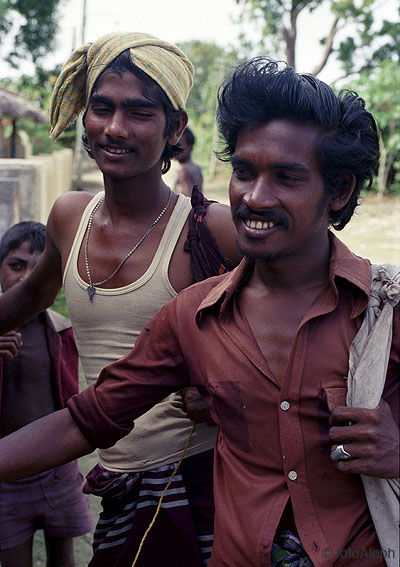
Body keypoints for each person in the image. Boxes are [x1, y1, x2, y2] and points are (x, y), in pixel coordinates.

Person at [0, 57, 398, 567]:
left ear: (339, 190)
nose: (255, 197)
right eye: (244, 172)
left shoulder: (383, 313)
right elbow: (89, 420)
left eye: (287, 177)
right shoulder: (191, 317)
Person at [0, 32, 239, 567]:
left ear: (175, 128)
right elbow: (27, 300)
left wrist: (230, 393)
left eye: (139, 112)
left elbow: (291, 325)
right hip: (114, 479)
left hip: (194, 481)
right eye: (101, 108)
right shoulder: (68, 216)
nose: (114, 127)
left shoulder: (208, 231)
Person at [0, 222, 93, 567]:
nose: (26, 278)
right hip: (5, 477)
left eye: (38, 270)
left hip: (58, 471)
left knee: (63, 558)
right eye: (16, 265)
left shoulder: (64, 329)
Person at [173, 126, 203, 197]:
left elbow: (190, 200)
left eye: (179, 145)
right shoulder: (196, 168)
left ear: (190, 146)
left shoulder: (183, 171)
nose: (175, 149)